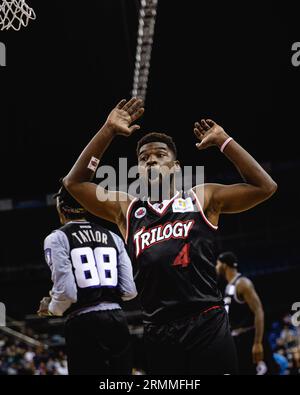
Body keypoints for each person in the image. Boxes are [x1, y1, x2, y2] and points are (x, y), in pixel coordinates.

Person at [63, 97, 277, 374]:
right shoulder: (127, 209)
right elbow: (74, 183)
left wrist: (225, 141)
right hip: (158, 329)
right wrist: (107, 130)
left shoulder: (202, 197)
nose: (151, 160)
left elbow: (265, 186)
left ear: (176, 167)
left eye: (160, 155)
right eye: (143, 158)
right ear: (137, 170)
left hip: (207, 323)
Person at [37, 184, 137, 375]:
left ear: (60, 208)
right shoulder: (113, 236)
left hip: (84, 322)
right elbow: (129, 291)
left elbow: (67, 293)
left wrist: (51, 308)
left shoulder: (57, 238)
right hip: (117, 319)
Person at [216, 251, 278, 375]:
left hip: (249, 339)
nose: (216, 267)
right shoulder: (229, 287)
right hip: (238, 343)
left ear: (224, 265)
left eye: (217, 264)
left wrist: (257, 343)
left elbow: (259, 311)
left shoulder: (243, 283)